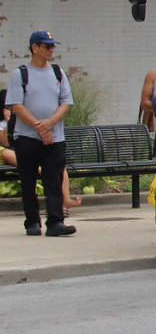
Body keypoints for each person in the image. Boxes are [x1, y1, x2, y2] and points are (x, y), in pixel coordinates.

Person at [6, 30, 77, 237]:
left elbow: (66, 102)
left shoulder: (58, 72)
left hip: (55, 139)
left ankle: (55, 222)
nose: (51, 49)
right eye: (46, 46)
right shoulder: (20, 74)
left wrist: (50, 123)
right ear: (34, 48)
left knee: (53, 180)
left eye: (52, 46)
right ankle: (32, 222)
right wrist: (40, 127)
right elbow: (17, 106)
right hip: (27, 138)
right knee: (28, 181)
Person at [1, 90, 81, 215]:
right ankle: (57, 205)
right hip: (8, 151)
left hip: (28, 150)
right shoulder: (3, 122)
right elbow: (5, 143)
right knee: (42, 169)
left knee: (59, 167)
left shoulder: (27, 118)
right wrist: (8, 122)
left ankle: (65, 200)